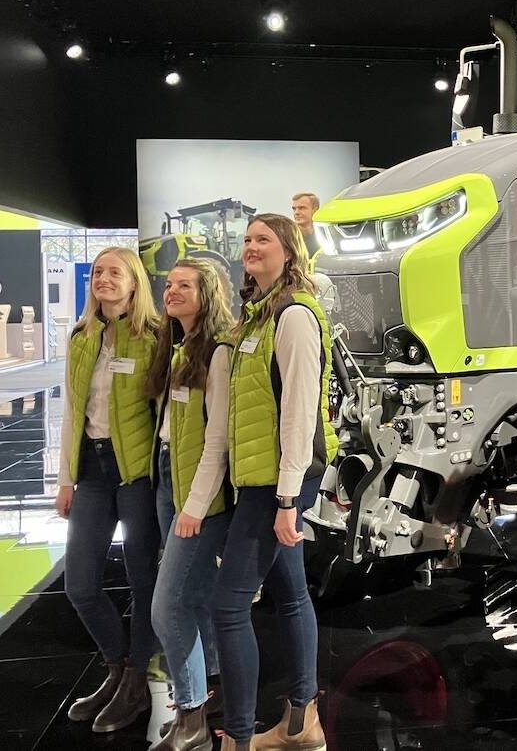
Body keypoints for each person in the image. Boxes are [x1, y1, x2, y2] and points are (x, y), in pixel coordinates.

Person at [213, 214, 338, 751]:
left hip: (279, 484)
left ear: (289, 251)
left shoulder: (294, 317)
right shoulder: (256, 318)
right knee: (290, 595)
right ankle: (302, 723)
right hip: (264, 480)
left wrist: (287, 498)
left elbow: (299, 414)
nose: (251, 247)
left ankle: (238, 738)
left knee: (228, 605)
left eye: (263, 239)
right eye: (245, 240)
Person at [55, 247, 162, 733]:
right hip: (92, 473)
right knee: (80, 585)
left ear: (134, 283)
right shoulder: (82, 337)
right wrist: (64, 479)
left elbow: (169, 417)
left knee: (143, 584)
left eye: (114, 272)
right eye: (98, 272)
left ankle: (137, 683)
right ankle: (117, 668)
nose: (103, 279)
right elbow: (73, 414)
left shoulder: (156, 339)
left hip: (137, 474)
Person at [146, 259, 235, 751]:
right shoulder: (174, 343)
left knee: (168, 608)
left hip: (196, 494)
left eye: (184, 285)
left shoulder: (216, 352)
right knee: (193, 598)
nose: (171, 291)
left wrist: (195, 507)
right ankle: (210, 694)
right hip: (167, 479)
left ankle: (193, 715)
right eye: (169, 284)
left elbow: (217, 440)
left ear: (208, 294)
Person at [290, 192, 321, 257]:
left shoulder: (326, 235)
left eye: (301, 208)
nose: (296, 212)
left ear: (315, 210)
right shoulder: (288, 236)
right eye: (294, 209)